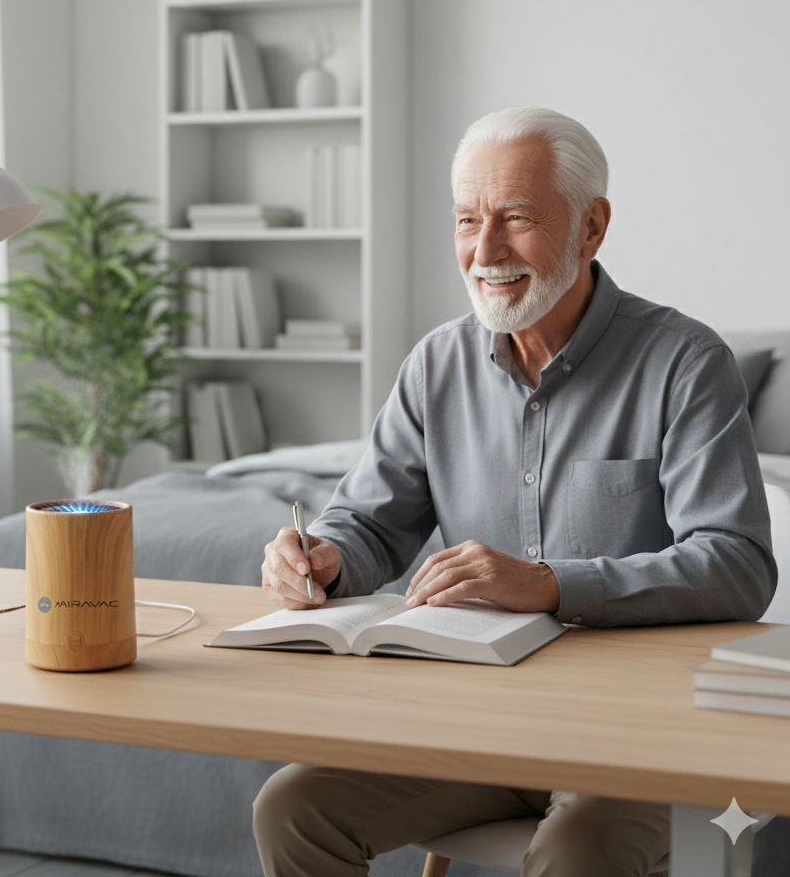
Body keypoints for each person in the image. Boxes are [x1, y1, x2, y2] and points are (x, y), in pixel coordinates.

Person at [253, 106, 777, 877]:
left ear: (591, 228)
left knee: (580, 848)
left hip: (641, 732)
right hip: (479, 725)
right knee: (292, 809)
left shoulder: (685, 363)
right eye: (467, 220)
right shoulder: (435, 364)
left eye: (516, 218)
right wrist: (323, 557)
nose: (485, 251)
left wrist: (550, 585)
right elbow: (367, 522)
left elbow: (737, 564)